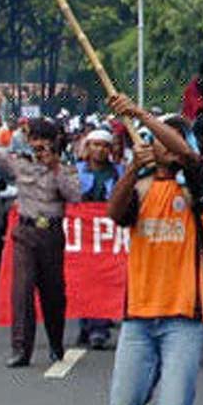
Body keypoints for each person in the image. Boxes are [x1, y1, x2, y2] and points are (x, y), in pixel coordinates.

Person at [105, 95, 203, 405]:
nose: (162, 146)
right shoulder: (140, 185)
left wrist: (139, 115)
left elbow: (186, 152)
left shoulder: (198, 187)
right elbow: (114, 215)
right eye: (156, 140)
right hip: (139, 318)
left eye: (167, 139)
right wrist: (135, 164)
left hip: (183, 318)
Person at [0, 93, 81, 368]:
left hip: (51, 234)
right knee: (21, 291)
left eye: (43, 143)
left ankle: (56, 345)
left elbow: (75, 196)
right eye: (34, 141)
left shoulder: (65, 169)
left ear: (54, 143)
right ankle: (21, 349)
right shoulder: (19, 162)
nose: (38, 148)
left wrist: (54, 167)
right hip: (25, 232)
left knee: (53, 293)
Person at [75, 128, 125, 349]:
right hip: (82, 236)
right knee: (82, 280)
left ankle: (100, 328)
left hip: (109, 236)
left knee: (105, 280)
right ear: (88, 147)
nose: (100, 150)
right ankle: (85, 324)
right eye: (95, 145)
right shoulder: (75, 172)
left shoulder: (119, 172)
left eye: (105, 146)